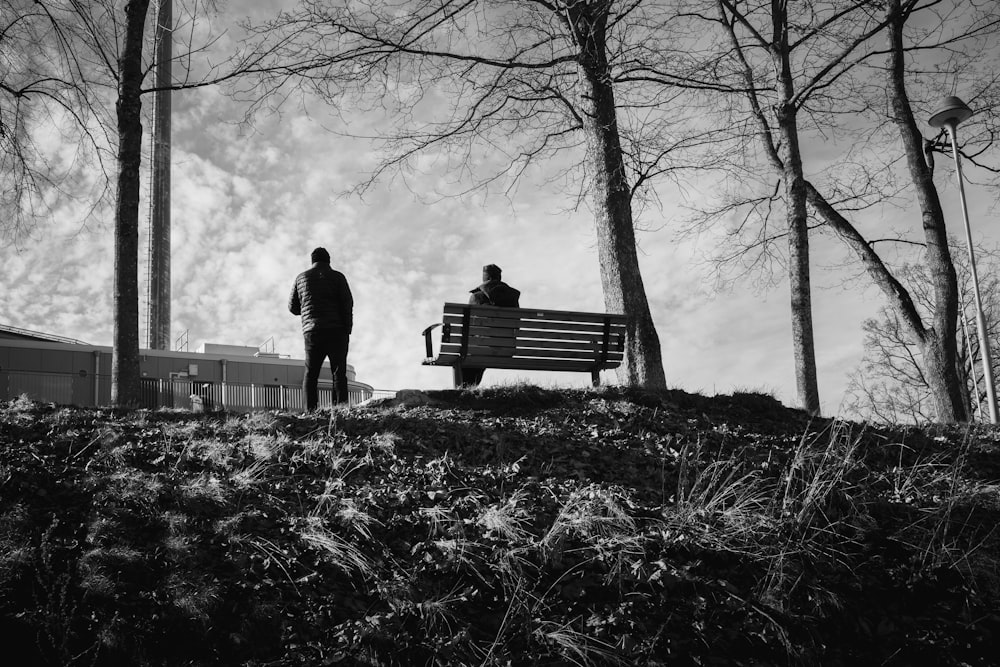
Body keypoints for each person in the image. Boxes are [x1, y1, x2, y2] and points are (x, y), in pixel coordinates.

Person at [289, 247, 354, 410]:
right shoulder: (338, 277)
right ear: (328, 261)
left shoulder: (301, 278)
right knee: (339, 373)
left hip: (312, 331)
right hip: (337, 330)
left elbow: (292, 307)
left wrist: (306, 311)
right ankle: (340, 408)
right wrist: (347, 328)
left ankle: (310, 410)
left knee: (311, 374)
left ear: (312, 261)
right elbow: (348, 303)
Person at [461, 264, 520, 386]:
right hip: (506, 348)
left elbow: (469, 328)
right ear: (499, 277)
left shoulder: (476, 296)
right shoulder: (512, 298)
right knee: (479, 355)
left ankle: (464, 392)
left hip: (481, 348)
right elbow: (517, 325)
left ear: (485, 277)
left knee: (470, 358)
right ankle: (468, 389)